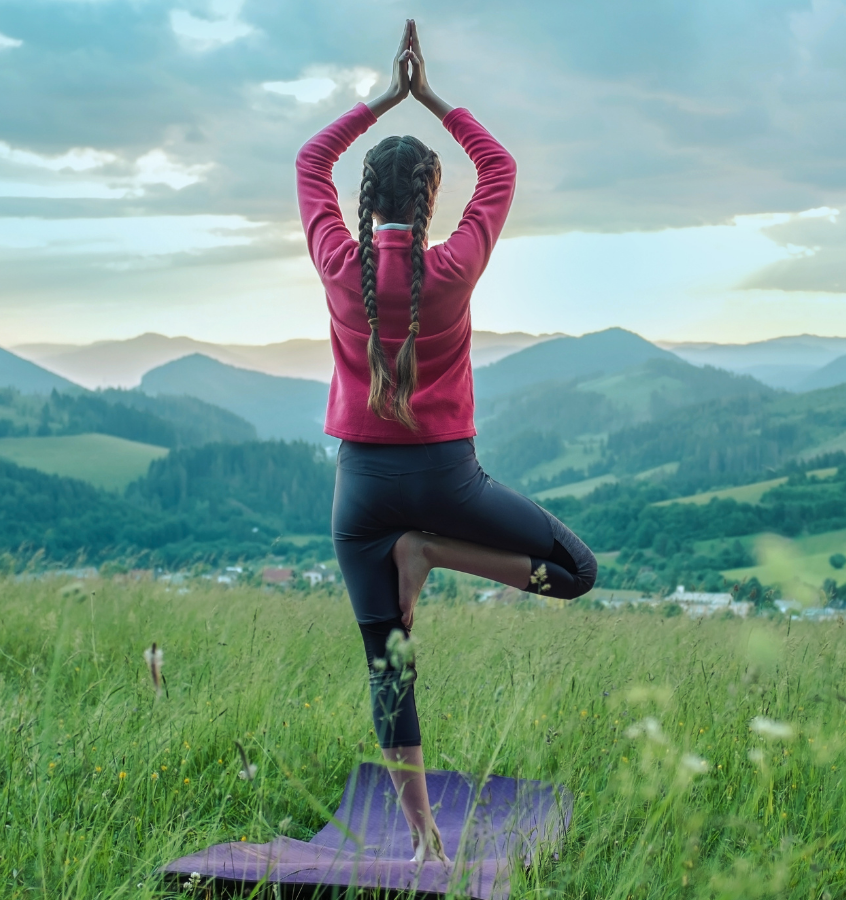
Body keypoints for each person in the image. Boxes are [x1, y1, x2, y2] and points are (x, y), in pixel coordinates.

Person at [294, 20, 598, 864]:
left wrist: (382, 101)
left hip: (361, 497)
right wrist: (432, 98)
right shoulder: (455, 265)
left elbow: (307, 164)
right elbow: (499, 167)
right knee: (577, 573)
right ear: (431, 201)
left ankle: (423, 833)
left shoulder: (334, 261)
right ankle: (429, 552)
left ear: (366, 200)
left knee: (388, 670)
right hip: (449, 484)